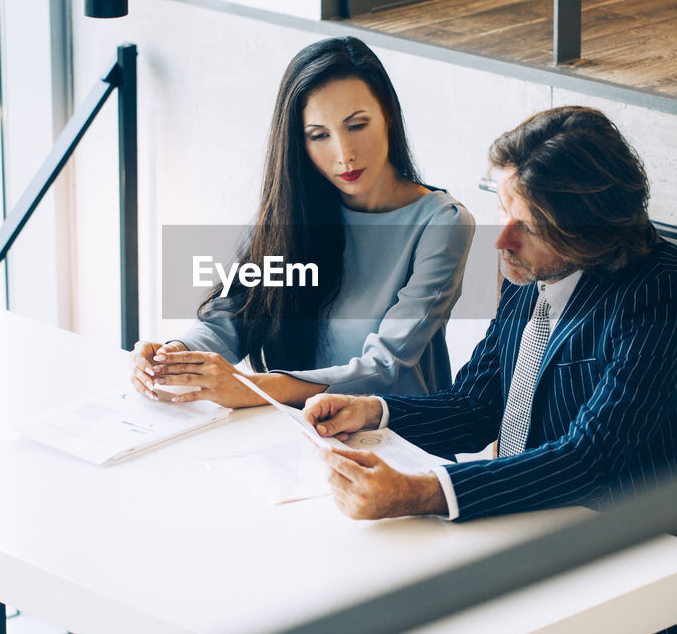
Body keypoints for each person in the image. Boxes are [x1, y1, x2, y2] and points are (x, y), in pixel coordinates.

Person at [302, 105, 677, 634]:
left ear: (586, 230)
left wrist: (422, 493)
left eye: (528, 225)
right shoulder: (532, 269)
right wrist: (375, 412)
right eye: (504, 209)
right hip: (535, 534)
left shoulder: (663, 295)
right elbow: (475, 405)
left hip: (650, 581)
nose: (502, 239)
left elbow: (593, 458)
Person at [130, 36, 475, 409]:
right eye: (319, 135)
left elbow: (383, 367)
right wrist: (172, 358)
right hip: (292, 432)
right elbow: (235, 315)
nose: (344, 154)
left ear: (388, 115)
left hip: (394, 443)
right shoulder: (293, 210)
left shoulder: (442, 224)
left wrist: (253, 388)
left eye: (357, 125)